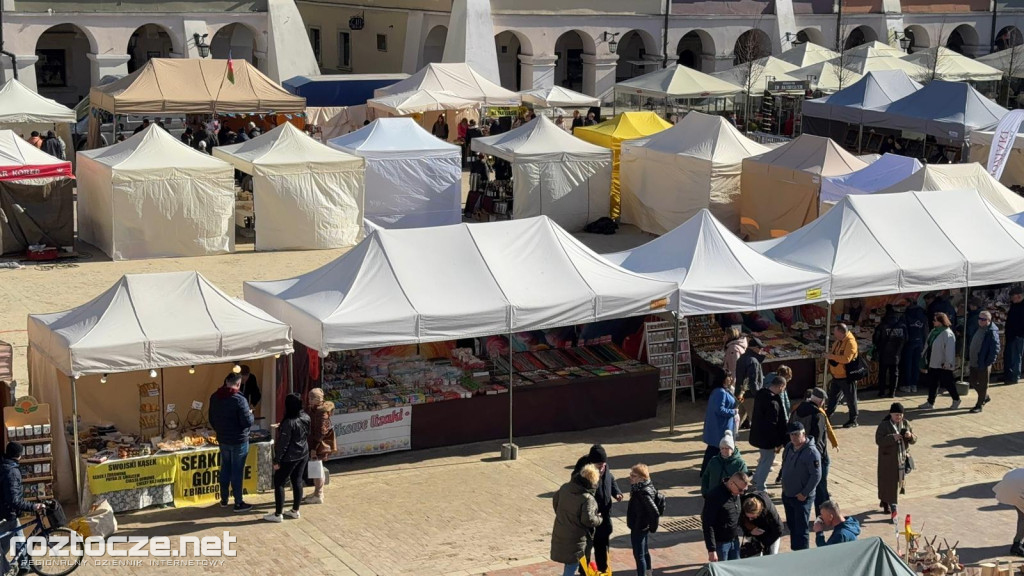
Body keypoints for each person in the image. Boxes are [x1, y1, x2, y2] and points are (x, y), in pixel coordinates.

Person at [571, 445, 621, 573]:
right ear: (591, 464)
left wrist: (616, 492)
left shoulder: (604, 466)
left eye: (604, 464)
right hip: (589, 517)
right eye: (599, 465)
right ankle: (584, 572)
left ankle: (603, 571)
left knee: (603, 546)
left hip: (604, 515)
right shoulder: (582, 471)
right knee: (587, 547)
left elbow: (611, 478)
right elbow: (576, 489)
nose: (602, 468)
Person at [208, 373, 255, 512]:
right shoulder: (240, 400)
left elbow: (211, 418)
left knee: (225, 469)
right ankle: (238, 502)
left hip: (223, 439)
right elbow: (247, 421)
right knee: (237, 471)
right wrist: (251, 414)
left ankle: (223, 499)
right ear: (238, 384)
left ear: (226, 381)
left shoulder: (214, 397)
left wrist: (220, 430)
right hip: (239, 440)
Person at [792, 387, 838, 517]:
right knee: (821, 486)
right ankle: (824, 515)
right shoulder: (818, 414)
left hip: (798, 453)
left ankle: (800, 515)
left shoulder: (797, 409)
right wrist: (820, 457)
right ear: (821, 401)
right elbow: (818, 439)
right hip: (816, 456)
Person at [264, 394, 309, 523]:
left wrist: (277, 460)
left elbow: (283, 444)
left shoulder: (289, 422)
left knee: (279, 482)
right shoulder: (305, 417)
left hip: (290, 457)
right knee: (297, 480)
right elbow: (305, 433)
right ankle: (295, 510)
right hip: (303, 453)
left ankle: (278, 514)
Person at [551, 464, 602, 576]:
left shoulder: (565, 488)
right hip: (576, 537)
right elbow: (588, 520)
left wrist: (562, 515)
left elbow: (555, 501)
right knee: (572, 565)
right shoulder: (587, 498)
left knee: (569, 563)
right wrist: (599, 518)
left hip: (561, 531)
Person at [0, 442, 43, 575]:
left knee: (20, 537)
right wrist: (33, 506)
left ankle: (24, 565)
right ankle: (6, 570)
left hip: (8, 512)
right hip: (7, 514)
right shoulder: (12, 472)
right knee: (3, 548)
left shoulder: (5, 464)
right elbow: (14, 500)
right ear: (19, 455)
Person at [780, 421, 821, 551]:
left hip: (802, 498)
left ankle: (803, 554)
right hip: (788, 494)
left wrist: (805, 493)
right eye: (791, 434)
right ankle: (795, 552)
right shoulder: (788, 447)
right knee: (792, 526)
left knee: (801, 528)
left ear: (803, 433)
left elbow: (816, 475)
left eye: (796, 434)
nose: (793, 437)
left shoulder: (811, 452)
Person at [876, 402, 916, 523]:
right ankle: (893, 507)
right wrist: (892, 437)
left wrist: (910, 436)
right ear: (891, 414)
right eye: (896, 415)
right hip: (887, 460)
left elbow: (915, 440)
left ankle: (885, 500)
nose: (898, 417)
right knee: (888, 482)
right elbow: (878, 440)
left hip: (901, 460)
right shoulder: (884, 425)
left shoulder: (906, 424)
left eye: (900, 415)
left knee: (896, 482)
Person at [749, 375, 789, 493]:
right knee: (767, 462)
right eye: (784, 387)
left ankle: (756, 479)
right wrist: (778, 441)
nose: (783, 390)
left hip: (759, 436)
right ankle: (761, 487)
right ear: (780, 386)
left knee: (763, 460)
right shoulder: (772, 402)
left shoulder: (761, 395)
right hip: (768, 439)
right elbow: (773, 424)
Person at [702, 471, 747, 562]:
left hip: (734, 540)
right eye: (740, 490)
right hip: (720, 544)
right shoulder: (714, 496)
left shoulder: (736, 493)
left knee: (735, 569)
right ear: (731, 483)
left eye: (744, 490)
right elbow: (708, 524)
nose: (742, 493)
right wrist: (712, 549)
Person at [919, 313, 960, 410]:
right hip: (933, 362)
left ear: (941, 322)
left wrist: (947, 362)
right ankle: (930, 402)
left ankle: (956, 399)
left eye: (935, 320)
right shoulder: (934, 331)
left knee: (948, 383)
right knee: (933, 382)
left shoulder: (948, 333)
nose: (933, 322)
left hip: (943, 364)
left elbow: (949, 350)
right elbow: (928, 344)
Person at [627, 464, 661, 576]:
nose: (630, 477)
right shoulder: (645, 487)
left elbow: (654, 512)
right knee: (645, 552)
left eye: (634, 475)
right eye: (630, 474)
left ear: (642, 478)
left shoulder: (642, 492)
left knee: (639, 555)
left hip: (639, 526)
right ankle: (648, 572)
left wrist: (653, 527)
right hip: (642, 524)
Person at [701, 376, 738, 477]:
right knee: (716, 450)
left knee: (714, 450)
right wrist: (733, 412)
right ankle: (708, 472)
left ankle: (707, 472)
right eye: (728, 377)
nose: (731, 379)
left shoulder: (722, 390)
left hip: (720, 425)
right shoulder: (720, 392)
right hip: (720, 426)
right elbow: (719, 409)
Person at [825, 323, 860, 428]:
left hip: (846, 376)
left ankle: (853, 420)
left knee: (850, 399)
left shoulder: (850, 343)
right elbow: (835, 354)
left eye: (835, 332)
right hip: (837, 375)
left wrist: (831, 356)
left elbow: (846, 359)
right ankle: (827, 416)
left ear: (841, 332)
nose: (834, 334)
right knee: (832, 397)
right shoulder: (838, 341)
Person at [304, 388, 334, 504]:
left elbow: (321, 432)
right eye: (309, 398)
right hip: (313, 442)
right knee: (315, 468)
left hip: (318, 445)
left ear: (318, 399)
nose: (309, 400)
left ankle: (319, 494)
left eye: (312, 398)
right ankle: (317, 491)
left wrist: (314, 448)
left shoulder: (322, 412)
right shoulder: (314, 409)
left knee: (317, 468)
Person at [969, 310, 1000, 413]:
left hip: (983, 363)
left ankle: (979, 404)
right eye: (979, 319)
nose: (981, 321)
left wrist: (988, 362)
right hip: (974, 361)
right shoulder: (979, 328)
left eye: (983, 319)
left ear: (989, 320)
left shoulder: (991, 331)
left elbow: (995, 348)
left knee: (982, 385)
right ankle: (985, 396)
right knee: (973, 382)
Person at [872, 305, 906, 398]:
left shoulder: (882, 325)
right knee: (894, 373)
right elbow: (906, 339)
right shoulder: (902, 325)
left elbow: (875, 339)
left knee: (882, 373)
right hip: (897, 353)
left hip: (884, 353)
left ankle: (882, 391)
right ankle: (892, 392)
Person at [701, 430, 748, 497]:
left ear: (732, 449)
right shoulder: (713, 461)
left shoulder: (740, 464)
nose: (724, 450)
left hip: (730, 497)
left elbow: (744, 481)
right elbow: (705, 477)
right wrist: (705, 492)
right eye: (722, 448)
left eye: (727, 448)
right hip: (713, 495)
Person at [740, 490, 783, 555]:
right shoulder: (743, 505)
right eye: (748, 517)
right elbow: (741, 522)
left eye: (753, 517)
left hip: (772, 534)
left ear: (759, 512)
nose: (750, 519)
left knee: (771, 555)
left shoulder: (770, 511)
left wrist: (764, 543)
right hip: (755, 533)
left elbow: (779, 529)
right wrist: (749, 531)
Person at [735, 337, 765, 428]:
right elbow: (753, 380)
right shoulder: (753, 361)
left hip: (740, 393)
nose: (761, 350)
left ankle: (727, 438)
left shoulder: (742, 358)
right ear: (754, 348)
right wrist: (757, 394)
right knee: (757, 422)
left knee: (736, 421)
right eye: (760, 348)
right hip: (750, 396)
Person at [994, 468, 1024, 557]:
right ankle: (1016, 546)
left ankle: (1018, 543)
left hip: (1011, 478)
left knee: (1022, 516)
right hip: (1017, 488)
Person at [901, 299, 929, 393]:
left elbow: (904, 330)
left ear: (909, 303)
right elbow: (926, 330)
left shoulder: (907, 314)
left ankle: (907, 385)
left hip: (909, 342)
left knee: (908, 364)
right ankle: (914, 385)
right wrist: (925, 343)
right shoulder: (923, 315)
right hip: (920, 342)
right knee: (916, 364)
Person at [1004, 286, 1024, 385]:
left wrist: (1017, 333)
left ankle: (1014, 376)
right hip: (1011, 335)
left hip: (1018, 335)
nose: (1011, 298)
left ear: (1019, 296)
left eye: (1012, 296)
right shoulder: (1014, 305)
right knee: (1009, 356)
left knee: (1015, 357)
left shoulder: (1021, 306)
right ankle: (1009, 375)